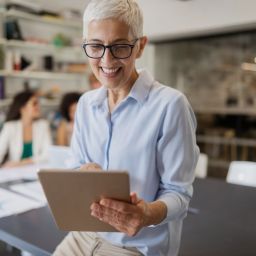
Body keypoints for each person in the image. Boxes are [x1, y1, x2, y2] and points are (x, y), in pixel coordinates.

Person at [53, 0, 199, 255]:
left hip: (135, 246)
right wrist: (81, 173)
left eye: (119, 46)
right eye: (96, 46)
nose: (106, 60)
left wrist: (146, 214)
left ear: (140, 46)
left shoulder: (170, 105)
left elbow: (179, 195)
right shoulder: (86, 104)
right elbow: (74, 166)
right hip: (84, 235)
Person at [0, 90, 52, 167]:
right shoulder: (9, 127)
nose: (38, 107)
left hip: (36, 172)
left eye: (38, 103)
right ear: (22, 108)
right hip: (14, 174)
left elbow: (47, 154)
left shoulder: (43, 125)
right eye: (34, 104)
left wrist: (21, 163)